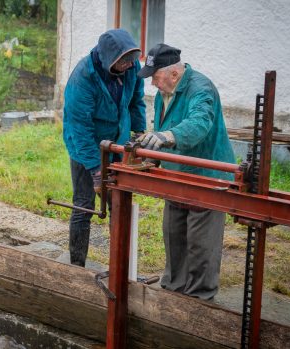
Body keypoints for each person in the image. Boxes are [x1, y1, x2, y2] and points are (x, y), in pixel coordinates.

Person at [136, 43, 235, 300]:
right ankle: (174, 289)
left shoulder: (201, 89)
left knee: (201, 244)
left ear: (174, 74)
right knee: (173, 235)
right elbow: (161, 125)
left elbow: (199, 123)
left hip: (206, 175)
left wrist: (168, 136)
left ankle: (200, 299)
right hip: (176, 175)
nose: (153, 84)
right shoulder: (163, 93)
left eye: (155, 77)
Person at [63, 29, 146, 267]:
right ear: (109, 58)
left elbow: (136, 102)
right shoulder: (83, 77)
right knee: (83, 205)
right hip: (84, 145)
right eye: (124, 61)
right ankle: (77, 268)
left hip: (117, 144)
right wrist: (95, 169)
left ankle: (121, 270)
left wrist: (138, 133)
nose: (130, 65)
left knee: (120, 206)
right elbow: (79, 127)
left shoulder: (131, 70)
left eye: (131, 59)